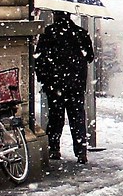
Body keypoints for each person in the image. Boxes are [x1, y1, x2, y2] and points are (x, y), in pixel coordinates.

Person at [34, 10, 95, 163]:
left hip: (55, 84)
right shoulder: (81, 33)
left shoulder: (48, 33)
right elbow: (90, 56)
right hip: (75, 84)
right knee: (77, 118)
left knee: (55, 117)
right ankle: (81, 151)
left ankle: (53, 148)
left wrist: (44, 77)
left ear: (55, 16)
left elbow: (39, 58)